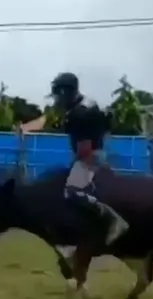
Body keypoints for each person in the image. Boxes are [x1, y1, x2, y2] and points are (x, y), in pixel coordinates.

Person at [50, 72, 129, 246]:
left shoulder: (78, 114)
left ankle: (112, 221)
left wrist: (76, 163)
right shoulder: (89, 103)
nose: (56, 100)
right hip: (100, 151)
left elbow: (84, 148)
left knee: (72, 191)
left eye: (57, 94)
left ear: (65, 92)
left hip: (89, 156)